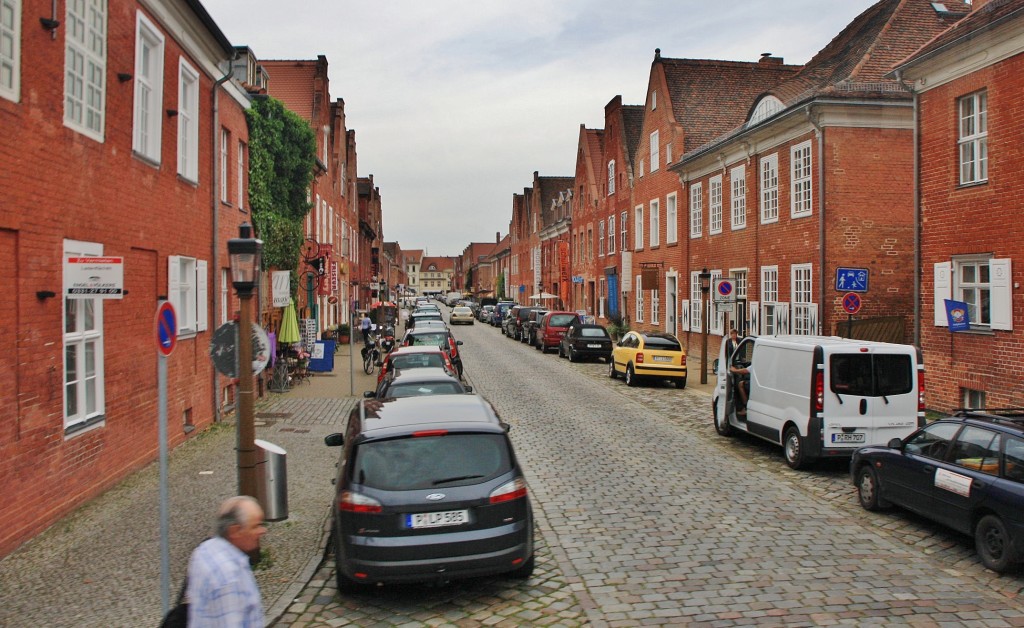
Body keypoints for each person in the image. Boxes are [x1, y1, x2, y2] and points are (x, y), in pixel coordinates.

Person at [187, 495, 266, 627]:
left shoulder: (204, 550)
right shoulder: (229, 578)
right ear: (234, 531)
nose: (262, 531)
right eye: (255, 526)